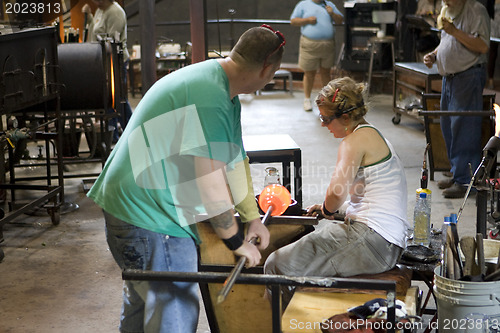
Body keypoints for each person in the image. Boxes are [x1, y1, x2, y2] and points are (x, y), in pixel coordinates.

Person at [87, 25, 283, 332]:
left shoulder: (221, 90)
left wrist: (252, 217)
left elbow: (236, 162)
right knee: (173, 312)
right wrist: (234, 241)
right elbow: (209, 186)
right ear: (268, 69)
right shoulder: (210, 96)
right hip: (148, 216)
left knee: (145, 306)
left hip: (131, 207)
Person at [264, 77, 408, 307]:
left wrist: (329, 207)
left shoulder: (353, 141)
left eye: (325, 119)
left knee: (276, 265)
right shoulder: (374, 135)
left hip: (372, 241)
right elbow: (367, 196)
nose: (323, 125)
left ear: (345, 117)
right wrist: (332, 211)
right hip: (388, 242)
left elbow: (336, 193)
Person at [423, 0, 490, 198]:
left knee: (464, 128)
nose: (445, 1)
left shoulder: (475, 11)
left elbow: (482, 45)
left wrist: (453, 31)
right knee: (449, 127)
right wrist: (434, 55)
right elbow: (447, 42)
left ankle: (466, 181)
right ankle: (457, 172)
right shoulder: (450, 11)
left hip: (468, 76)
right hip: (450, 79)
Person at [82, 0, 133, 143]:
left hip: (115, 60)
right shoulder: (100, 10)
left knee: (118, 99)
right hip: (102, 60)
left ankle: (133, 132)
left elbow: (111, 40)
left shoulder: (115, 12)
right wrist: (90, 17)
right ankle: (112, 135)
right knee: (109, 100)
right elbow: (95, 32)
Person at [290, 0, 344, 112]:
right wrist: (307, 20)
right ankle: (307, 99)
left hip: (327, 45)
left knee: (326, 72)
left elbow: (340, 20)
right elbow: (293, 21)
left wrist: (332, 13)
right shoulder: (303, 4)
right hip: (309, 45)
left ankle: (327, 100)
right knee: (309, 73)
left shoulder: (329, 4)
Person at [488, 0, 500, 89]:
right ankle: (490, 80)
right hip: (494, 27)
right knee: (492, 54)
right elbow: (488, 12)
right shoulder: (491, 1)